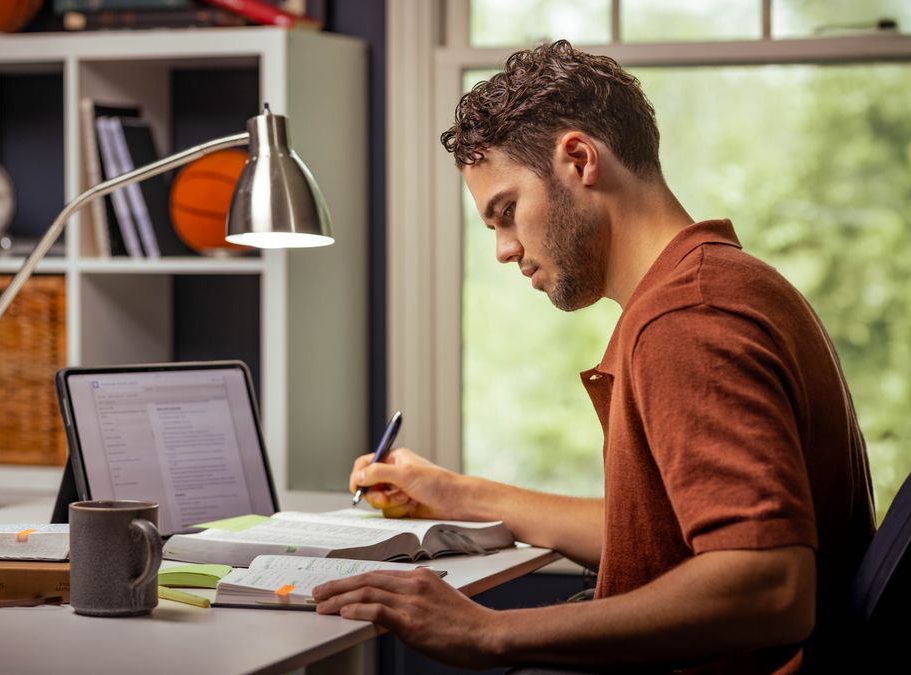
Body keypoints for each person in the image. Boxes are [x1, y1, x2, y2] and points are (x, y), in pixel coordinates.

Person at [311, 41, 875, 673]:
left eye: (506, 212)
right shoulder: (721, 281)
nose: (503, 249)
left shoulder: (687, 319)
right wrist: (454, 493)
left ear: (579, 159)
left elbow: (769, 587)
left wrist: (491, 633)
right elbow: (658, 540)